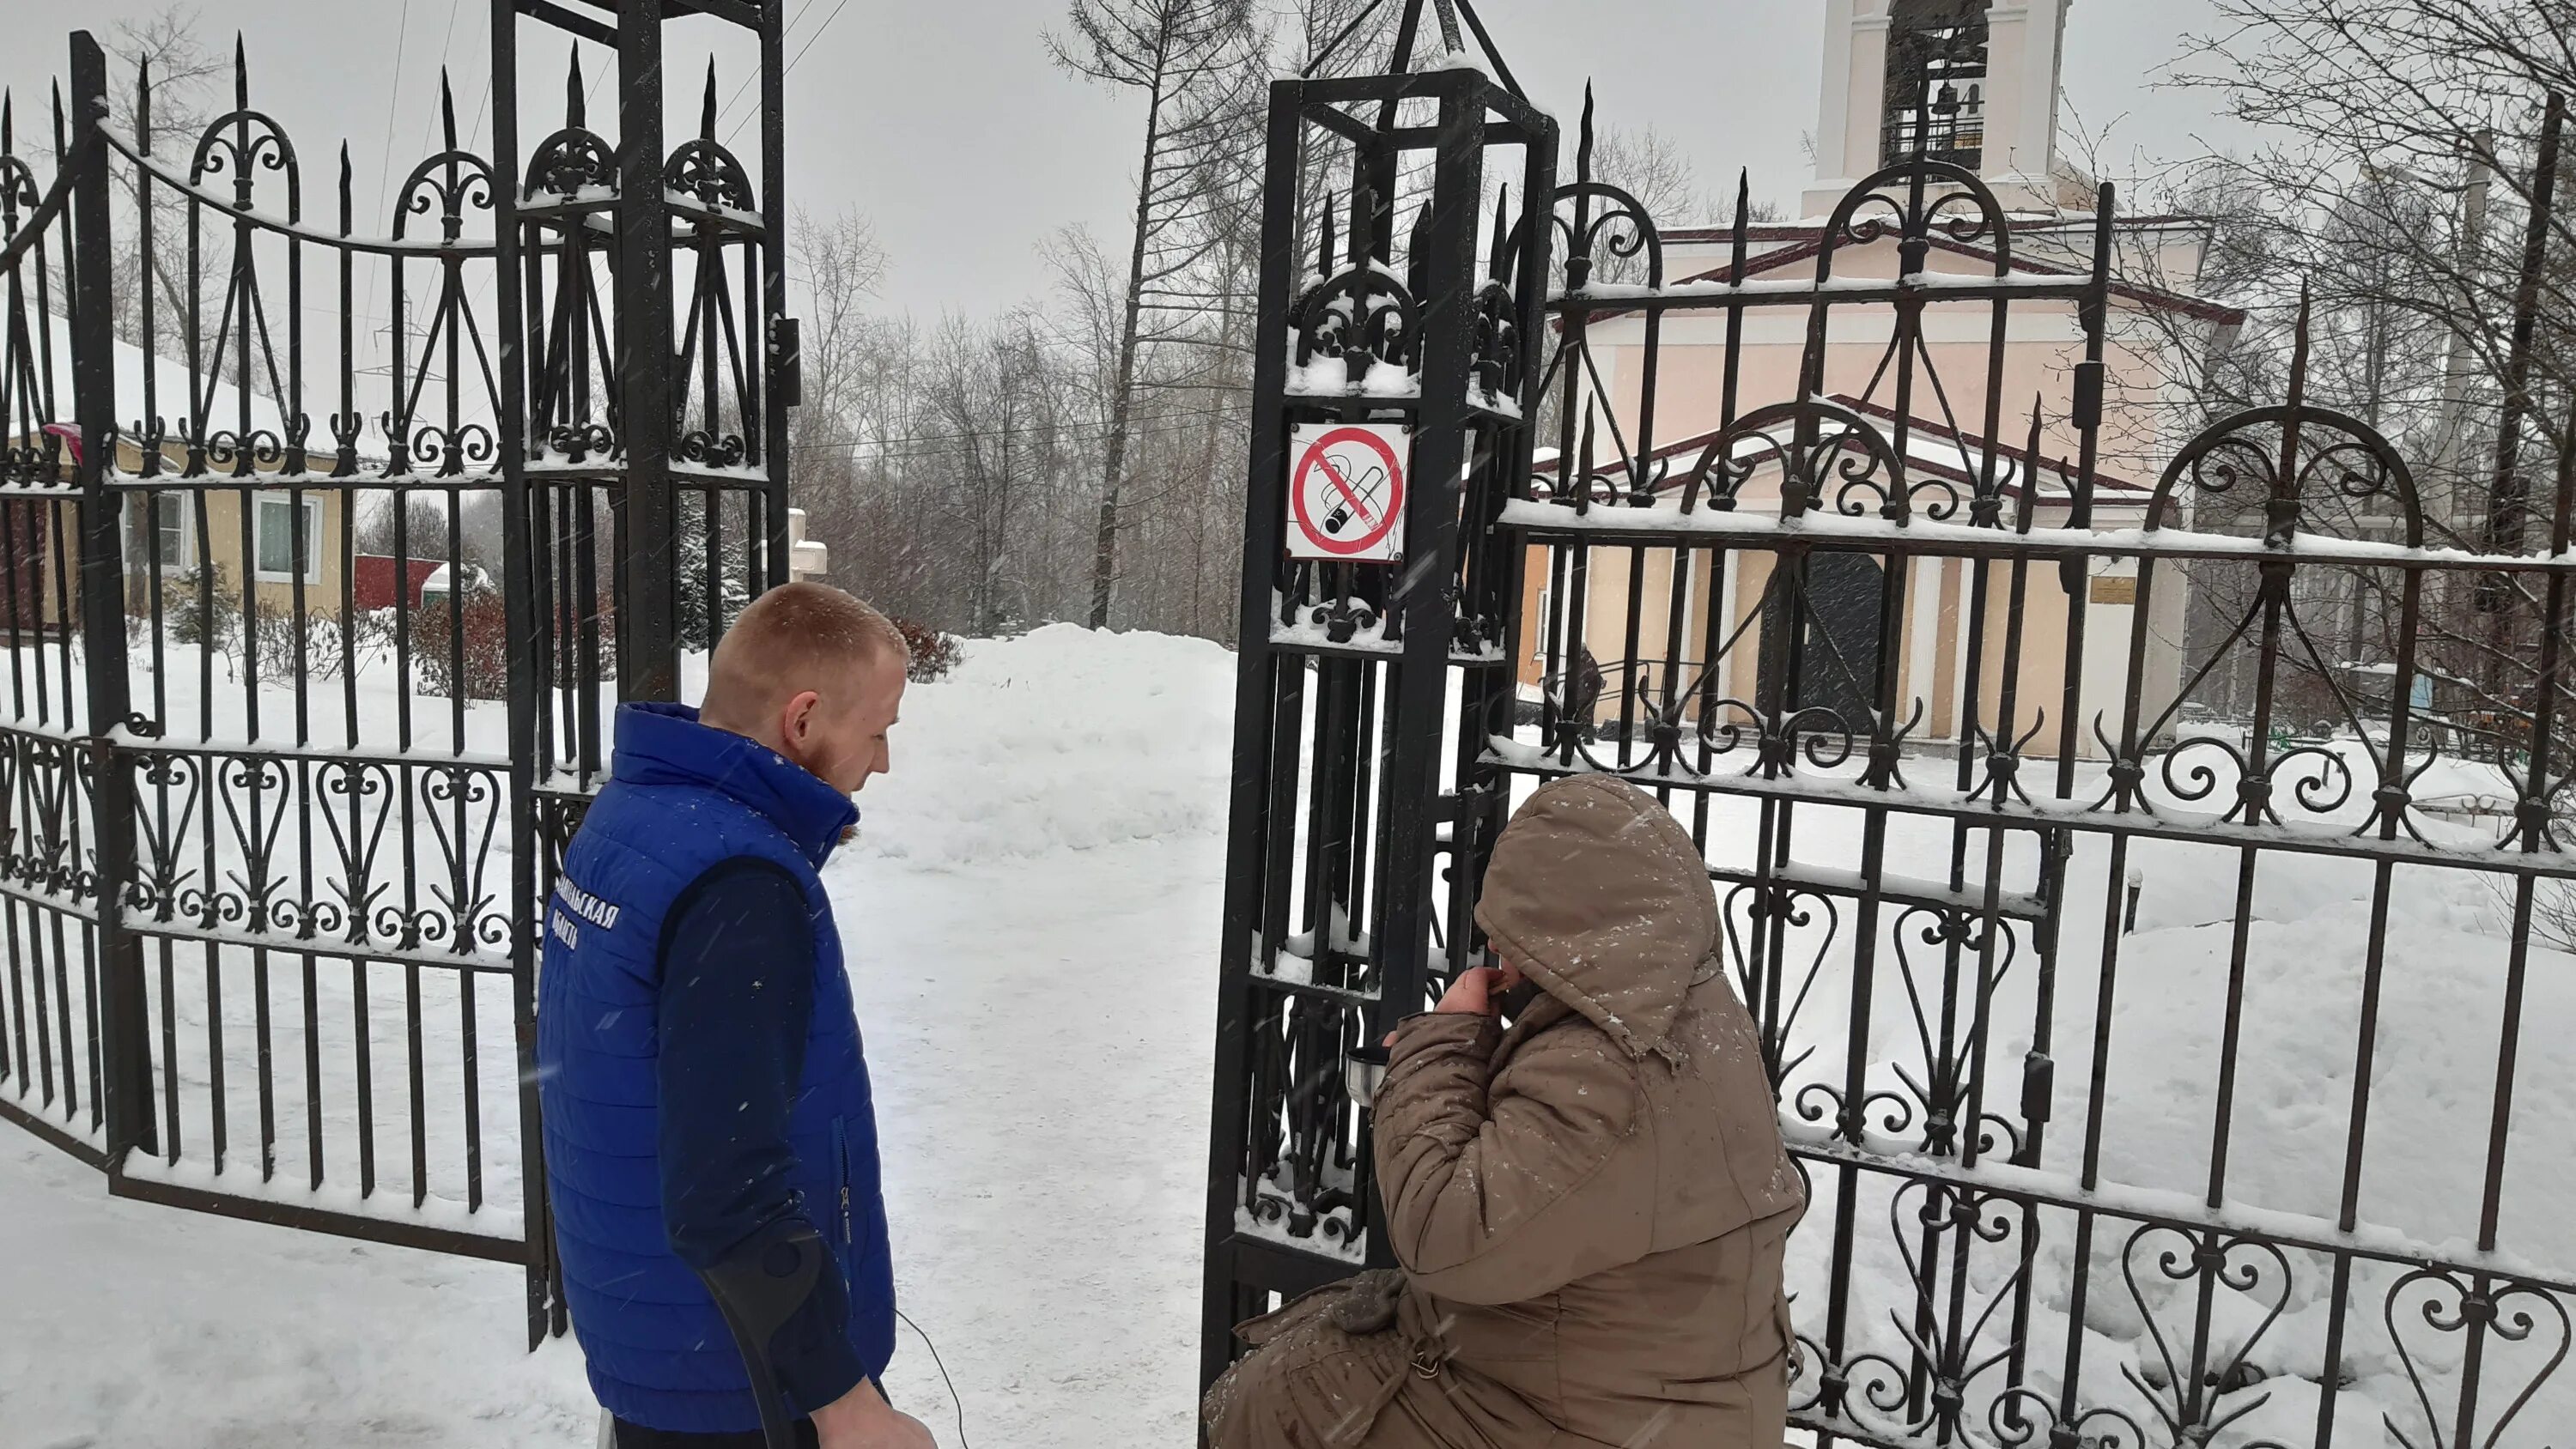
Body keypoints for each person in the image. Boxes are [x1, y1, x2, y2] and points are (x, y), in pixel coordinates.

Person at [1204, 773, 1809, 1449]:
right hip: (1641, 1386)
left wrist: (1442, 1044)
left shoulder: (1605, 1068)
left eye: (1519, 926)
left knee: (1281, 1400)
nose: (1501, 951)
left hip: (1586, 1413)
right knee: (1309, 1361)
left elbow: (1441, 1237)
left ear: (1568, 922)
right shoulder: (1693, 1013)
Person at [537, 583, 937, 1449]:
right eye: (878, 729)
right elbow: (726, 1187)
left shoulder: (636, 814)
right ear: (802, 721)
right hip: (742, 1379)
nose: (883, 760)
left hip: (665, 1337)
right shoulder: (741, 886)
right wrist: (843, 1397)